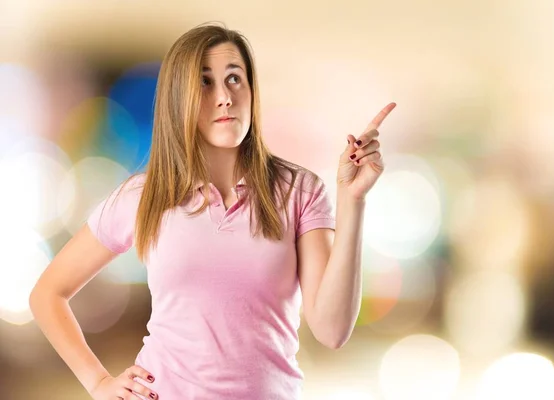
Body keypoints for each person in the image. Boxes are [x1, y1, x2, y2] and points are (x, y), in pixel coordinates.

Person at [29, 23, 396, 400]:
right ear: (179, 99)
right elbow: (48, 294)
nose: (225, 97)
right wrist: (98, 382)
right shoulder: (144, 196)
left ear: (252, 92)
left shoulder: (298, 190)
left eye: (234, 78)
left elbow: (332, 330)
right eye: (205, 83)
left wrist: (353, 200)